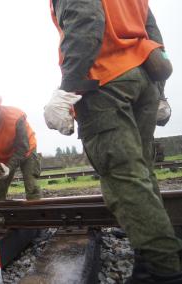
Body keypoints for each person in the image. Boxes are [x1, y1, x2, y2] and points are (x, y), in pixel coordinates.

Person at [45, 0, 181, 283]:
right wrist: (160, 90)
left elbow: (86, 22)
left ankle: (162, 271)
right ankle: (149, 257)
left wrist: (67, 89)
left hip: (107, 83)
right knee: (141, 173)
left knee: (125, 178)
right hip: (143, 78)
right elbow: (152, 30)